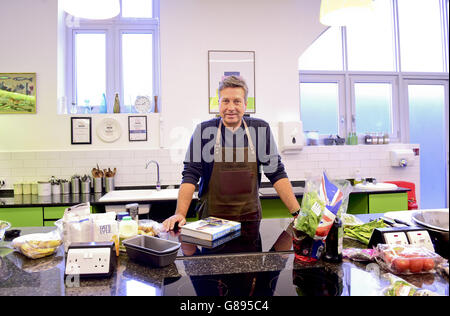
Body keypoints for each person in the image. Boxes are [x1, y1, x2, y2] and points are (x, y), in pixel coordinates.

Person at [162, 75, 300, 231]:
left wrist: (297, 213)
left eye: (237, 101)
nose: (231, 107)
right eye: (225, 101)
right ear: (218, 103)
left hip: (250, 220)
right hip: (210, 222)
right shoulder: (203, 131)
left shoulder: (260, 129)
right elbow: (190, 175)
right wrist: (180, 214)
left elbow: (276, 172)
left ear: (245, 105)